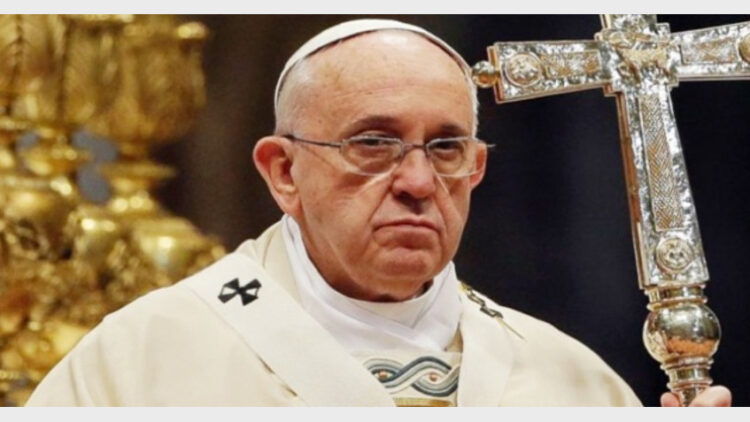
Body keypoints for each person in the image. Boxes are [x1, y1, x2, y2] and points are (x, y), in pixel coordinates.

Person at [26, 19, 731, 407]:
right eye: (373, 143)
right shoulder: (147, 360)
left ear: (476, 170)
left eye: (446, 147)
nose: (418, 182)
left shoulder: (568, 379)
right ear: (283, 172)